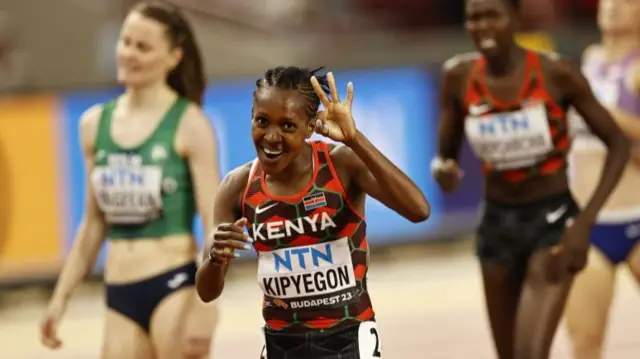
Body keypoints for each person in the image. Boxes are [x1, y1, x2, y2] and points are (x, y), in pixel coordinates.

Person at [432, 0, 630, 358]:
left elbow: (617, 145)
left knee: (529, 353)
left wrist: (584, 223)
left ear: (515, 18)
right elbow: (445, 156)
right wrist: (443, 171)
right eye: (474, 18)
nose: (482, 26)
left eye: (493, 15)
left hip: (552, 223)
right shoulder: (458, 76)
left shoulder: (557, 74)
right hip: (496, 226)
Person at [195, 66, 430, 359]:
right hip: (281, 344)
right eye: (262, 121)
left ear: (310, 127)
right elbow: (206, 292)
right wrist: (215, 259)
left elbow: (418, 210)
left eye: (288, 126)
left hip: (349, 341)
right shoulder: (237, 187)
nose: (271, 137)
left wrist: (355, 139)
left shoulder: (340, 165)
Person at [40, 2, 220, 358]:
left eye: (143, 47)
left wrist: (206, 305)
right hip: (119, 294)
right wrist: (59, 300)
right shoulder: (93, 125)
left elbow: (215, 224)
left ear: (173, 58)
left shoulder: (190, 123)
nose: (129, 54)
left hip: (175, 286)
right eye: (125, 42)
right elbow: (93, 226)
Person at [564, 0, 640, 358]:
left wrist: (603, 114)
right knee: (585, 344)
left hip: (637, 213)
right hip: (589, 222)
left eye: (624, 1)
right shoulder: (589, 60)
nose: (612, 7)